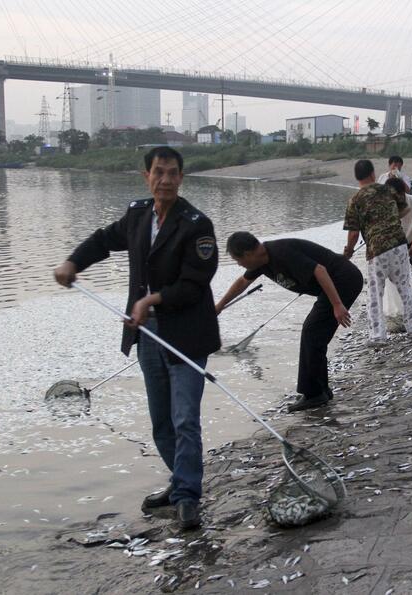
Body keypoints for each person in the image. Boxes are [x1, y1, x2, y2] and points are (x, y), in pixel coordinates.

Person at [52, 147, 219, 530]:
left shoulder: (197, 225)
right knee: (161, 421)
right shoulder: (137, 214)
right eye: (158, 172)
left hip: (186, 335)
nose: (165, 180)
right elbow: (102, 240)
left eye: (173, 173)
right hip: (147, 334)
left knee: (184, 419)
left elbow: (195, 284)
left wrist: (151, 300)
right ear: (146, 175)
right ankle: (180, 482)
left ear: (182, 177)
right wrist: (72, 263)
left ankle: (188, 498)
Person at [216, 233, 363, 413]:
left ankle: (315, 394)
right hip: (336, 284)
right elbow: (242, 282)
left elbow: (320, 270)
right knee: (314, 334)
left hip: (343, 280)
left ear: (248, 254)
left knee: (312, 333)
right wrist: (220, 306)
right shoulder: (261, 262)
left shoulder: (281, 252)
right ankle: (320, 390)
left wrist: (337, 304)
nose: (239, 264)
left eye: (237, 260)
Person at [343, 159, 412, 345]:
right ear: (373, 174)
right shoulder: (388, 190)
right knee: (405, 287)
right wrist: (389, 220)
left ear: (357, 177)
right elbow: (404, 207)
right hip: (399, 245)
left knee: (375, 294)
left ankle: (378, 336)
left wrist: (348, 252)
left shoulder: (355, 200)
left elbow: (354, 233)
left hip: (376, 251)